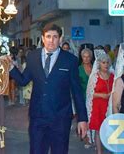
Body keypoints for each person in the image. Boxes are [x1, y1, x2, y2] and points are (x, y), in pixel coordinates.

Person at [8, 24, 88, 153]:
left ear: (60, 39)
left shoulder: (70, 60)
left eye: (55, 37)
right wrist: (11, 68)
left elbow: (77, 91)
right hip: (38, 117)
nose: (51, 40)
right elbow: (23, 81)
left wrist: (82, 119)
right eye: (48, 36)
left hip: (60, 119)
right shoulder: (33, 56)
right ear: (43, 38)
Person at [86, 51, 114, 154]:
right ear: (99, 63)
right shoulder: (94, 76)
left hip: (109, 106)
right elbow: (89, 94)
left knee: (110, 128)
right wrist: (101, 95)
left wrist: (111, 94)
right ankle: (99, 151)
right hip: (97, 106)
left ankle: (111, 148)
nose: (106, 64)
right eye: (103, 62)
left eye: (107, 62)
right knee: (98, 130)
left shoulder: (112, 76)